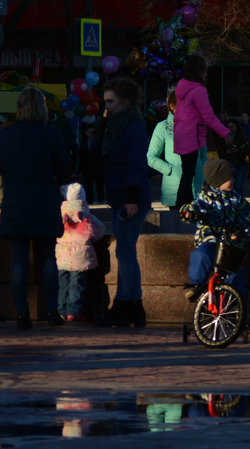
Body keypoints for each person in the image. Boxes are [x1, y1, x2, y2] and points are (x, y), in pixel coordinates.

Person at [0, 87, 72, 328]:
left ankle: (22, 315)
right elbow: (64, 169)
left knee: (18, 260)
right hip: (44, 203)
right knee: (48, 258)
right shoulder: (51, 134)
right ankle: (52, 312)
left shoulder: (6, 135)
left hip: (15, 204)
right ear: (42, 108)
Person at [96, 77, 153, 328]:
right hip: (119, 196)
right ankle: (132, 306)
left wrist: (131, 198)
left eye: (110, 101)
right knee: (126, 252)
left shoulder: (133, 126)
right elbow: (97, 152)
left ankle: (125, 304)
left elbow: (137, 164)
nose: (105, 106)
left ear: (125, 102)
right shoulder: (115, 124)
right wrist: (102, 123)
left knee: (125, 253)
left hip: (130, 198)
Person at [180, 157, 250, 298]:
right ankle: (197, 284)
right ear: (217, 181)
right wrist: (188, 212)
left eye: (232, 177)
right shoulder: (205, 199)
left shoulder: (237, 200)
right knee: (201, 255)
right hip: (210, 238)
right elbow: (195, 207)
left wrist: (238, 230)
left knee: (236, 272)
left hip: (231, 244)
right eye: (227, 178)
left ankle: (235, 300)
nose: (232, 180)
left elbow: (246, 218)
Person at [173, 55, 230, 208]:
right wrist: (225, 133)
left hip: (182, 134)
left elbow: (179, 114)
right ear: (200, 70)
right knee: (193, 172)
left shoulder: (182, 86)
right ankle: (184, 204)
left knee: (188, 172)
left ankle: (183, 203)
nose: (206, 73)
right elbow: (209, 116)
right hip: (192, 136)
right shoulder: (198, 90)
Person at [56, 181, 105, 322]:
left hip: (62, 257)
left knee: (63, 284)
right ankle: (73, 311)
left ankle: (61, 309)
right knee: (77, 285)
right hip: (80, 258)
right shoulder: (86, 216)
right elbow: (99, 231)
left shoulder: (60, 215)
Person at [147, 91, 186, 209]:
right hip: (174, 187)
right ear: (172, 106)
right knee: (177, 226)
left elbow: (202, 155)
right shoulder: (162, 127)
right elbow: (151, 157)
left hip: (197, 189)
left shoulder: (196, 126)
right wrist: (171, 170)